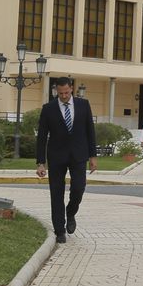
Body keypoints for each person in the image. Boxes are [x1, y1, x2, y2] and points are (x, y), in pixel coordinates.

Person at [35, 76, 97, 243]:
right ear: (56, 91)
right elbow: (41, 137)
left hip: (79, 155)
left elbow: (90, 131)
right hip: (56, 157)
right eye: (60, 93)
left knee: (79, 188)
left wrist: (93, 156)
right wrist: (41, 163)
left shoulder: (84, 105)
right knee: (56, 193)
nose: (63, 96)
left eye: (66, 92)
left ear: (71, 89)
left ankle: (70, 212)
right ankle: (59, 230)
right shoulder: (48, 108)